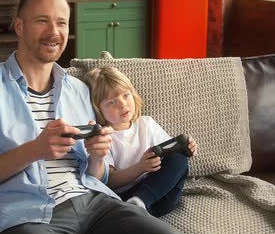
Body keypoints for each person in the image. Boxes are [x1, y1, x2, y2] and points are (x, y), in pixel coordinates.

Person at [0, 0, 201, 234]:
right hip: (25, 215)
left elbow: (99, 176)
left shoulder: (78, 90)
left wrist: (96, 156)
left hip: (92, 204)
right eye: (42, 21)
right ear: (19, 26)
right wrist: (35, 150)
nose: (54, 32)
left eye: (62, 23)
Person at [84, 66, 198, 216]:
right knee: (126, 203)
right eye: (111, 102)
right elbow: (109, 181)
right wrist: (140, 167)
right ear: (98, 110)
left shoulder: (146, 124)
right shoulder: (103, 137)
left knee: (179, 159)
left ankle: (141, 203)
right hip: (125, 197)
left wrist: (188, 147)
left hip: (158, 193)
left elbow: (171, 153)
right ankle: (138, 206)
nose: (122, 104)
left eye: (126, 95)